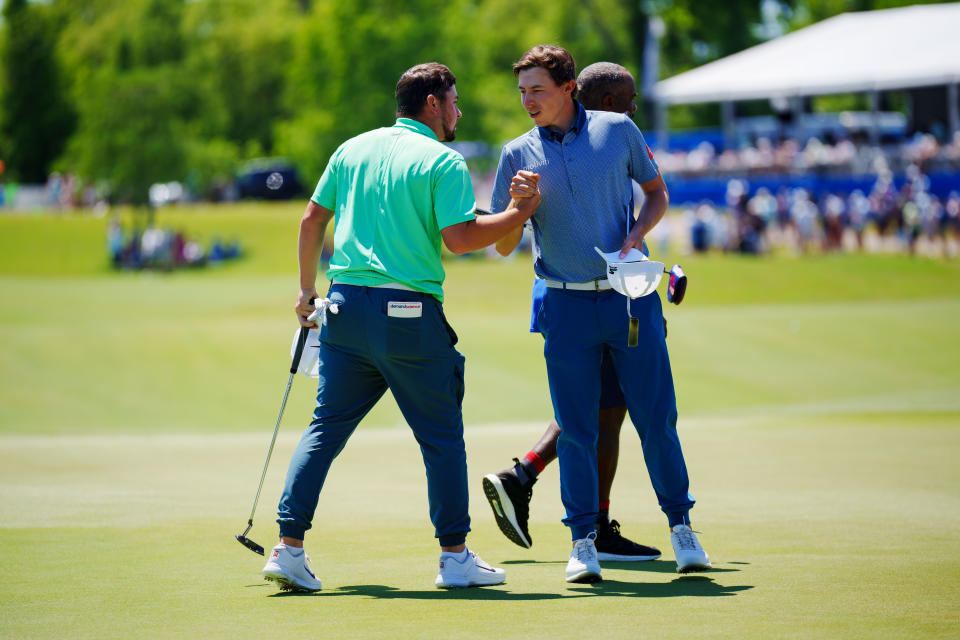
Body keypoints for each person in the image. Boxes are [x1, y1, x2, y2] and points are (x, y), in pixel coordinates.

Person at [261, 62, 541, 592]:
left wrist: (304, 291)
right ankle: (454, 557)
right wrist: (520, 213)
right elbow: (459, 239)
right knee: (441, 438)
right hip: (408, 316)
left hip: (342, 309)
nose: (458, 111)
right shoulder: (444, 160)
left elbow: (311, 220)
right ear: (432, 103)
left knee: (324, 431)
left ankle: (287, 547)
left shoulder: (353, 148)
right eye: (454, 101)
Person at [488, 46, 710, 583]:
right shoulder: (516, 153)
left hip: (628, 296)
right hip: (563, 303)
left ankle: (682, 529)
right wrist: (518, 209)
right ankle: (582, 541)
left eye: (537, 90)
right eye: (522, 92)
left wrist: (636, 238)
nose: (528, 101)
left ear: (568, 88)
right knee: (579, 429)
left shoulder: (617, 130)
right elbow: (501, 245)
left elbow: (656, 193)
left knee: (657, 419)